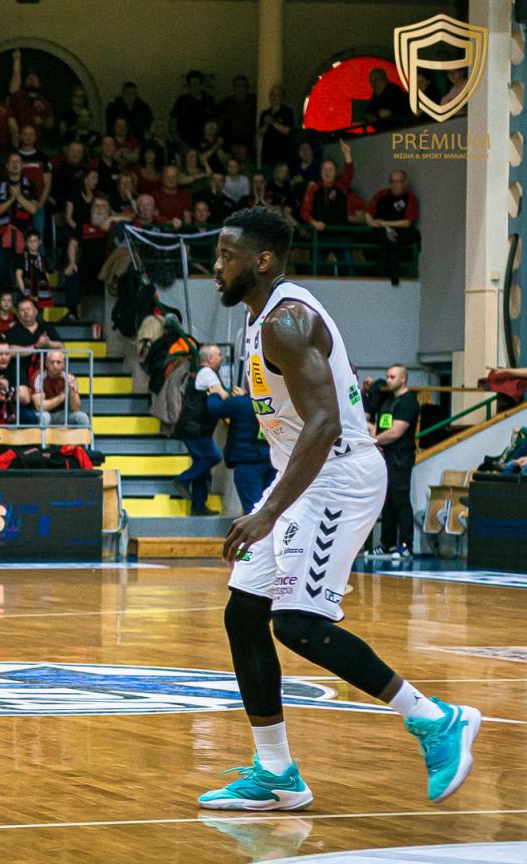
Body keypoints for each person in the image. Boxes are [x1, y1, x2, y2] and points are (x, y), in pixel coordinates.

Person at [204, 206, 480, 812]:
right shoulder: (259, 318)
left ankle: (437, 719)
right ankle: (276, 772)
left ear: (263, 261)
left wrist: (268, 513)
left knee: (296, 623)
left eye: (227, 256)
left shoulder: (288, 321)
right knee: (244, 616)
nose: (215, 266)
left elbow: (325, 423)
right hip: (302, 475)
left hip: (337, 477)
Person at [369, 364, 420, 559]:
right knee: (387, 500)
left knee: (400, 499)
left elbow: (395, 432)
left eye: (392, 377)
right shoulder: (388, 402)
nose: (388, 380)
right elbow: (380, 428)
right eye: (387, 376)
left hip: (400, 457)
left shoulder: (408, 402)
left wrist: (374, 440)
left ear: (403, 379)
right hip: (385, 457)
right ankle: (387, 543)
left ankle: (406, 545)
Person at [173, 344, 227, 515]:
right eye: (219, 355)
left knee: (201, 465)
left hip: (194, 427)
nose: (222, 358)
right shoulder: (207, 373)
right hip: (196, 428)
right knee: (213, 457)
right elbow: (222, 394)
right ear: (210, 358)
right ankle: (182, 479)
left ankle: (198, 506)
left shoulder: (201, 373)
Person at [206, 386, 276, 514]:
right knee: (269, 507)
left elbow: (215, 409)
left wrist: (214, 395)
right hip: (272, 461)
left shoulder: (240, 402)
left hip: (247, 462)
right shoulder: (274, 403)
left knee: (253, 509)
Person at [33, 349, 90, 428]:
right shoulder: (39, 377)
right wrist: (62, 396)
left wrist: (72, 391)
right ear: (46, 364)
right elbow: (40, 406)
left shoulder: (70, 378)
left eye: (58, 362)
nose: (55, 365)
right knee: (45, 417)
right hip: (44, 413)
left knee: (82, 417)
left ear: (63, 364)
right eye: (52, 362)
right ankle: (43, 437)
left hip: (61, 414)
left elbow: (76, 408)